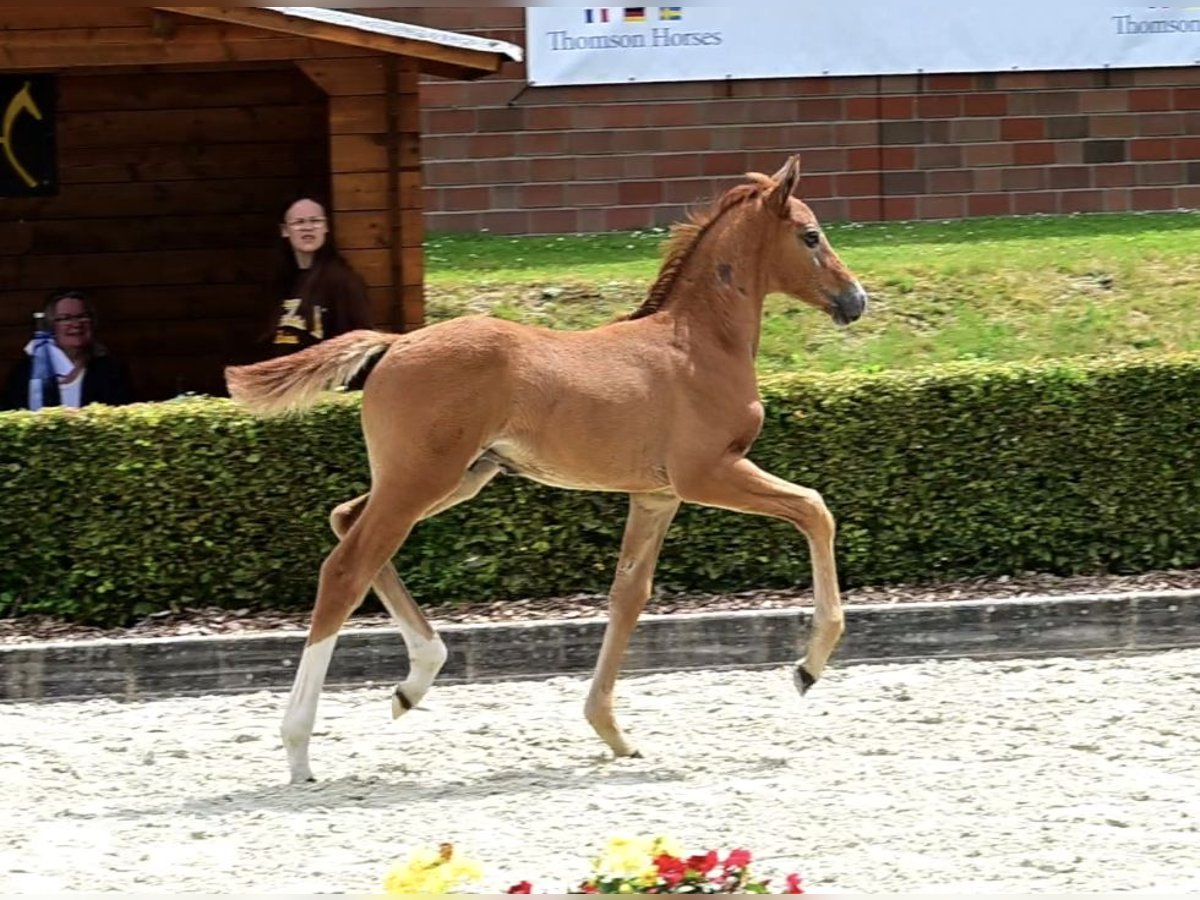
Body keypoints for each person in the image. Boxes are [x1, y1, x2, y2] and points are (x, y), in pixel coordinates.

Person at [264, 197, 372, 357]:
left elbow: (360, 344)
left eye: (315, 221)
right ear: (285, 230)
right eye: (299, 222)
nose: (308, 227)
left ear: (326, 227)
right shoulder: (280, 282)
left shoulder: (343, 281)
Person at [0, 289, 134, 411]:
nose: (76, 324)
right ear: (51, 327)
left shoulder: (111, 371)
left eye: (83, 316)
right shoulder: (27, 372)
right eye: (65, 318)